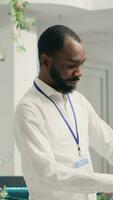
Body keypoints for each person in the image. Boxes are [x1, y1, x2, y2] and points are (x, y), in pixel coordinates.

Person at [14, 25, 113, 200]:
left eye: (81, 65)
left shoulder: (79, 101)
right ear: (45, 61)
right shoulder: (29, 109)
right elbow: (50, 173)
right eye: (71, 65)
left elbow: (108, 142)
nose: (79, 73)